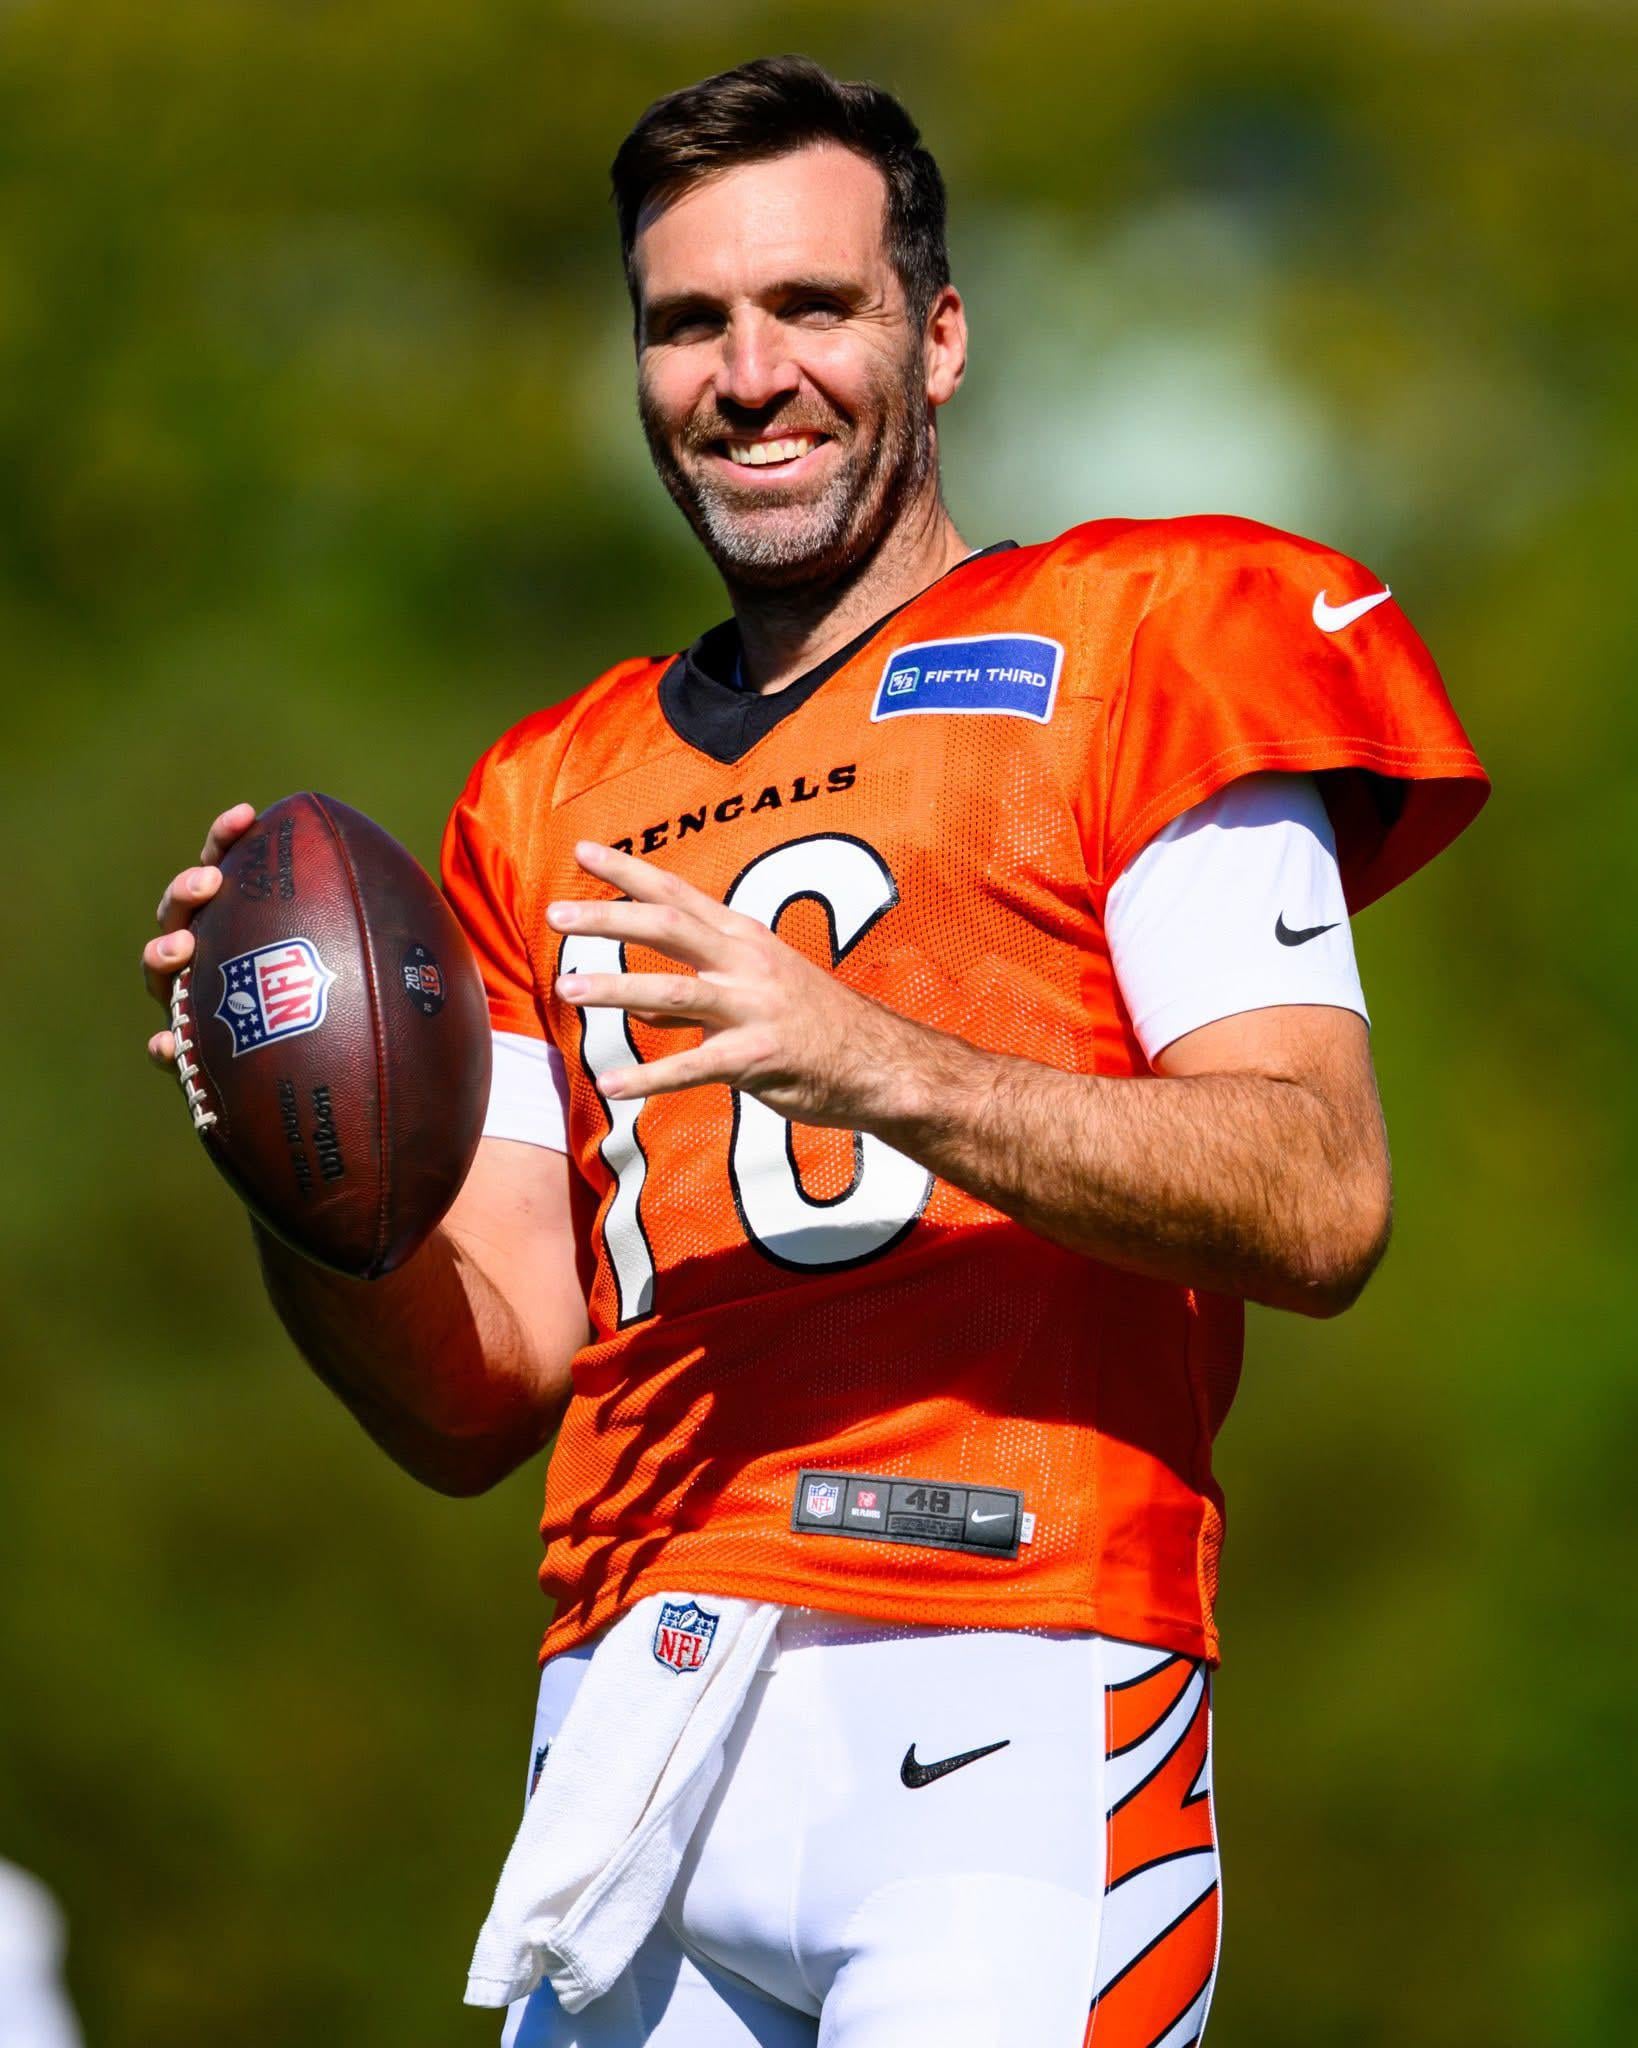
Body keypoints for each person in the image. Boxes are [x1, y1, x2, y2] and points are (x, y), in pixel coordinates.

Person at [141, 54, 1488, 2048]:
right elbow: (477, 1388)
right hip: (632, 1714)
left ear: (936, 338)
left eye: (810, 306)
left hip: (1009, 1667)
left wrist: (878, 1062)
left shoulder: (1144, 637)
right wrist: (295, 1172)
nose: (748, 373)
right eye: (688, 320)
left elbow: (1318, 1190)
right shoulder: (540, 794)